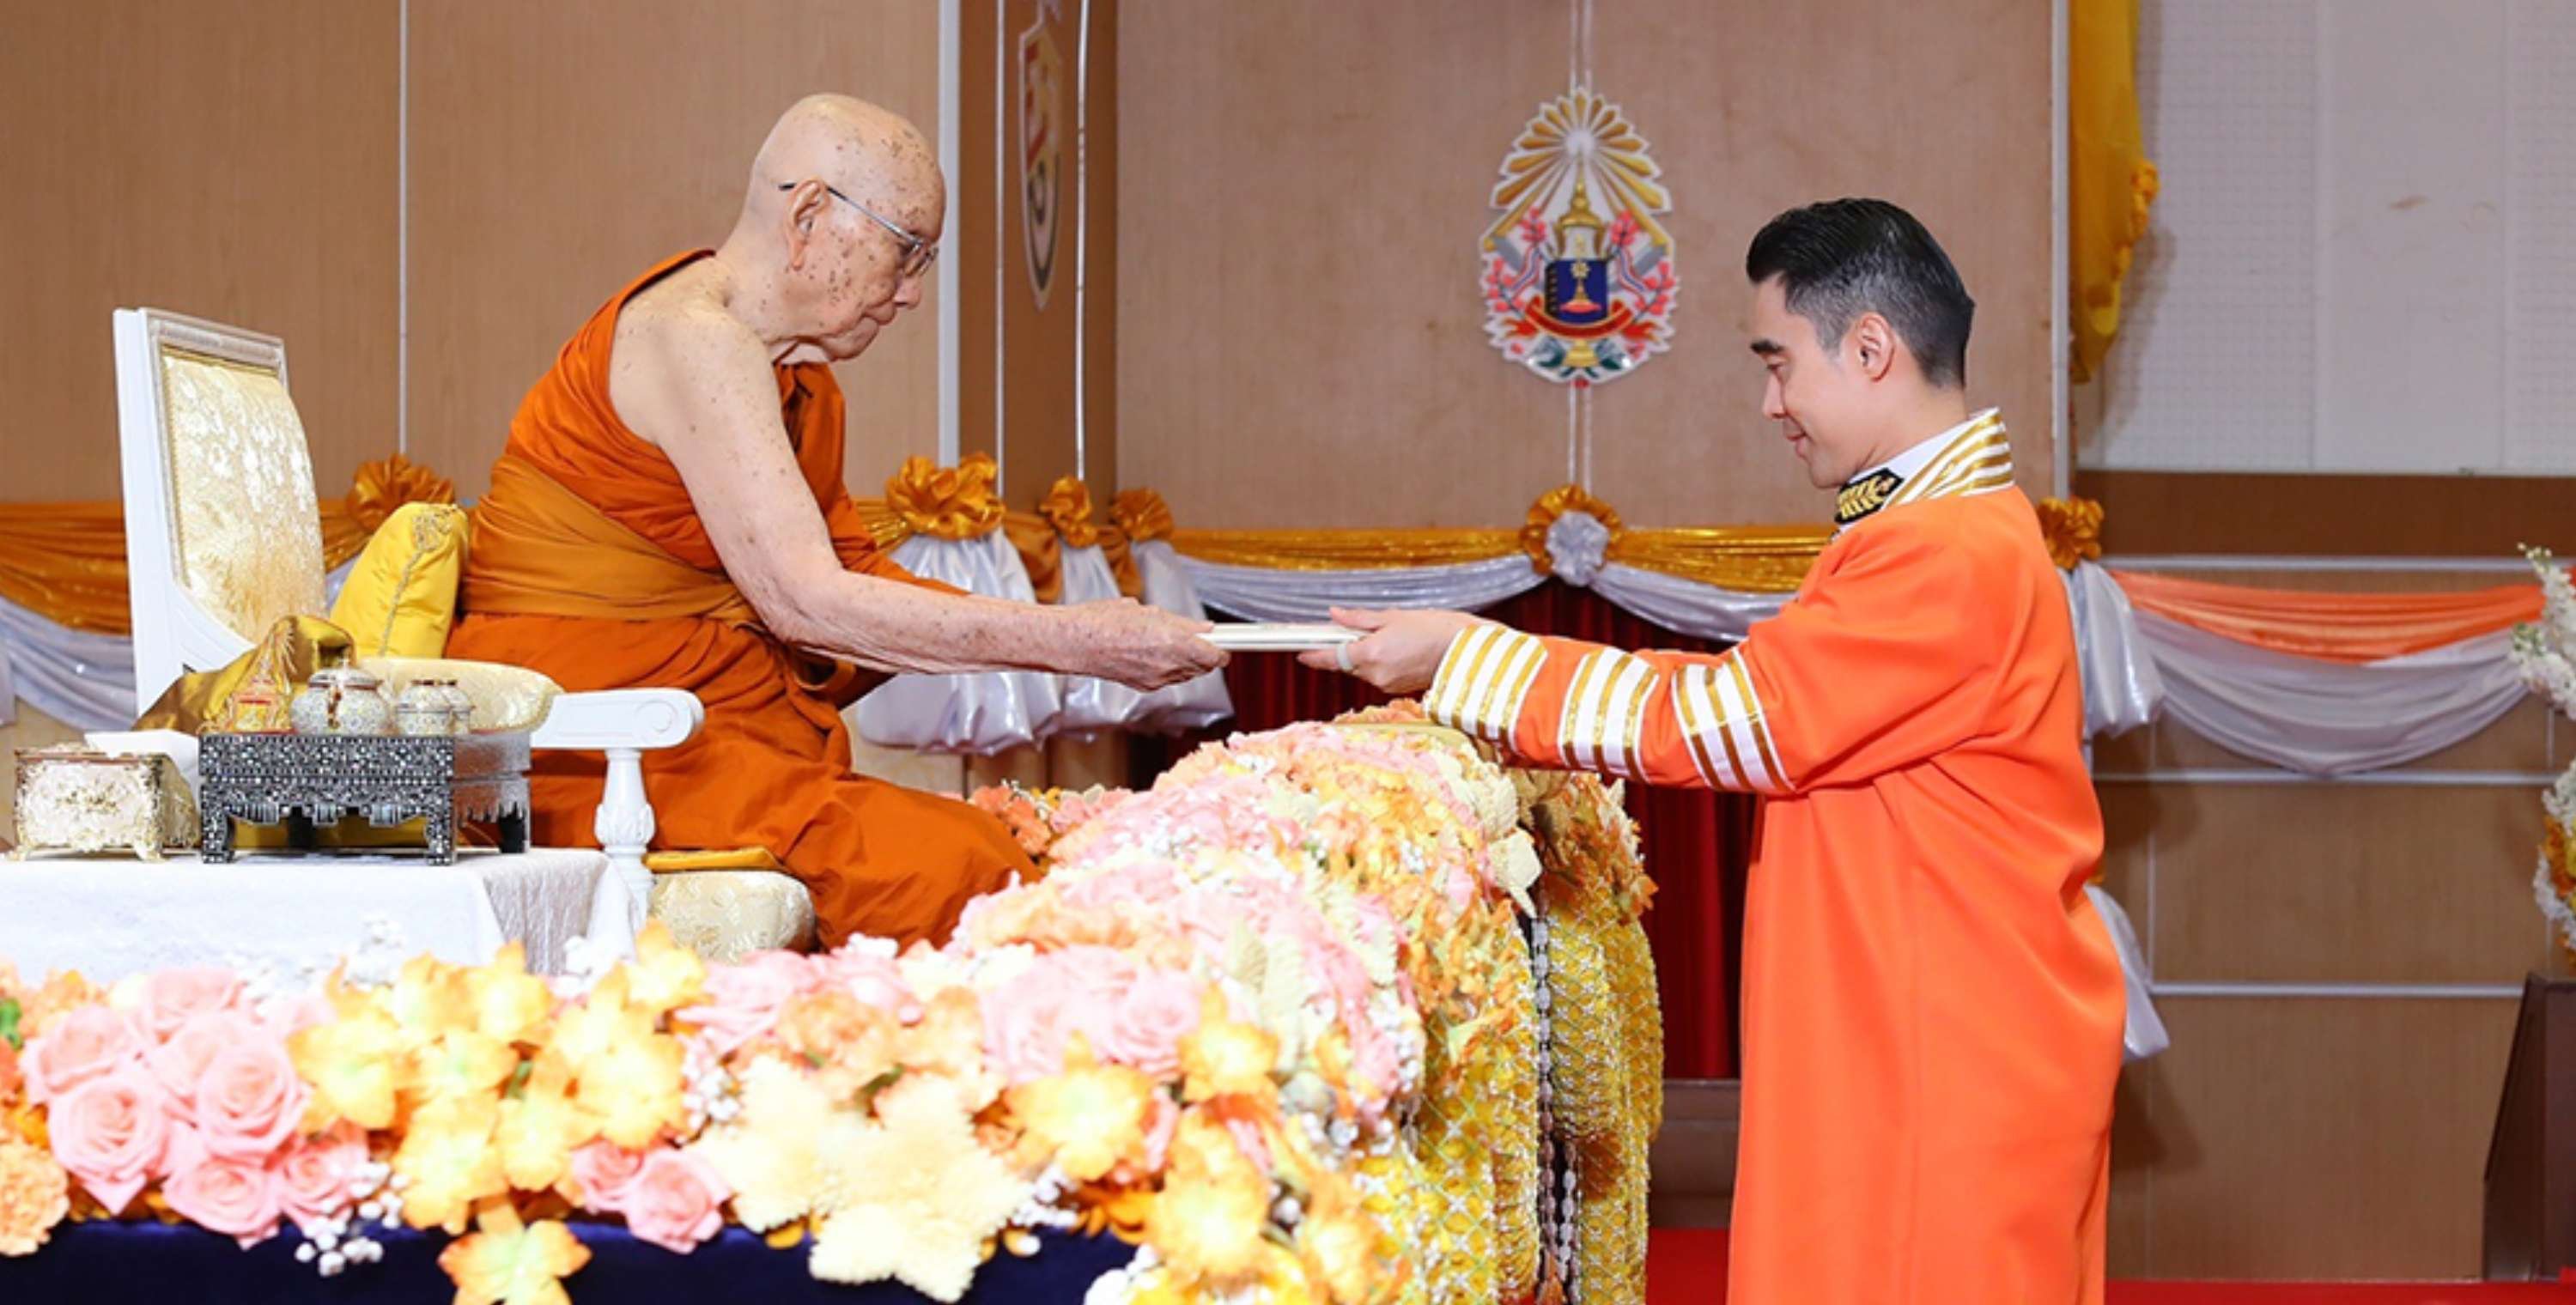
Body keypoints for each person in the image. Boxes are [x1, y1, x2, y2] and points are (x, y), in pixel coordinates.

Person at [1308, 199, 2123, 1304]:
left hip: (1941, 1059)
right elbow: (1760, 698)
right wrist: (1477, 661)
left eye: (1779, 364)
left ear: (1871, 347)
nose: (1770, 402)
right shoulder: (1936, 528)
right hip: (1922, 1036)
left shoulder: (1948, 549)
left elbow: (1736, 721)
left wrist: (1467, 660)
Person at [448, 94, 1224, 949]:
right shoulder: (692, 337)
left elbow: (853, 581)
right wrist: (1077, 643)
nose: (916, 293)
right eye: (907, 252)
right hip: (594, 742)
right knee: (960, 868)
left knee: (992, 850)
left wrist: (1053, 631)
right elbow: (808, 605)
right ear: (808, 214)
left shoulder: (803, 381)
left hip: (700, 731)